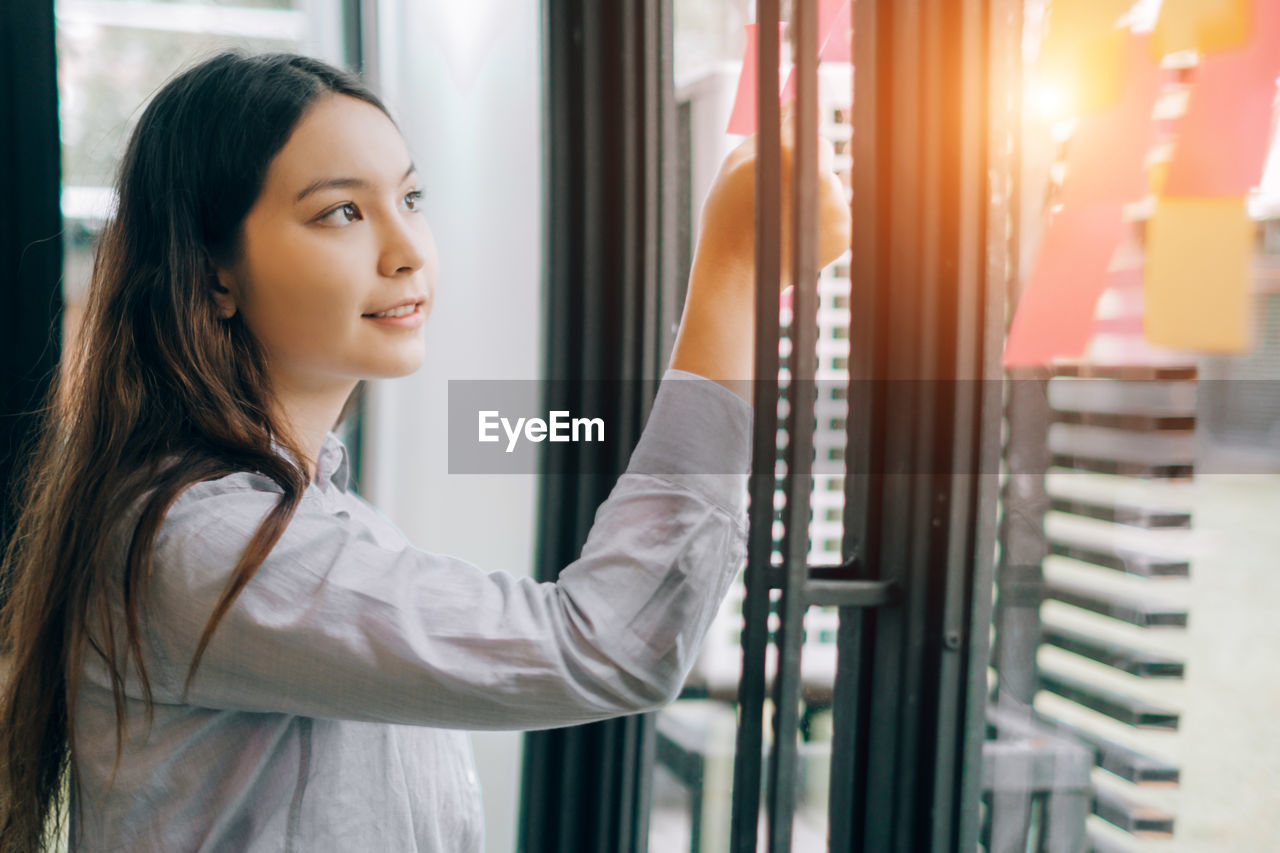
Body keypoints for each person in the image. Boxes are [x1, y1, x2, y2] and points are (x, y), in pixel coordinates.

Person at [0, 51, 849, 851]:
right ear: (215, 271)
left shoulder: (304, 510)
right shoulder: (210, 541)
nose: (406, 252)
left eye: (410, 199)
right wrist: (732, 275)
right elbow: (609, 643)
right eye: (341, 211)